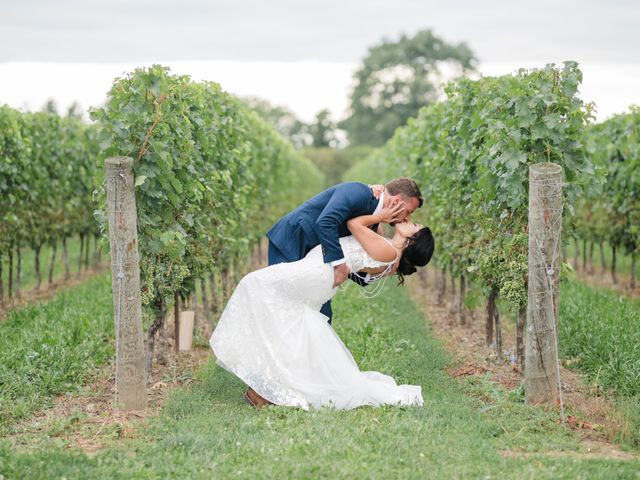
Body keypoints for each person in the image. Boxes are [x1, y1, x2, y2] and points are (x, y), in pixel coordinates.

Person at [209, 201, 435, 410]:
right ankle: (264, 389)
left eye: (414, 225)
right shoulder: (386, 247)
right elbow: (367, 236)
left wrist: (382, 214)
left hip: (318, 273)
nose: (409, 220)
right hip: (319, 270)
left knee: (255, 284)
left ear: (411, 240)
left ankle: (264, 383)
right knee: (290, 322)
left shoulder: (389, 252)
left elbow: (354, 224)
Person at [266, 178, 423, 323]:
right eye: (408, 212)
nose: (406, 218)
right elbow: (325, 221)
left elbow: (358, 268)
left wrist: (387, 269)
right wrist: (339, 265)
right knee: (282, 303)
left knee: (321, 316)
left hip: (319, 259)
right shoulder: (359, 191)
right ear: (396, 201)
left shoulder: (374, 226)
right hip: (293, 240)